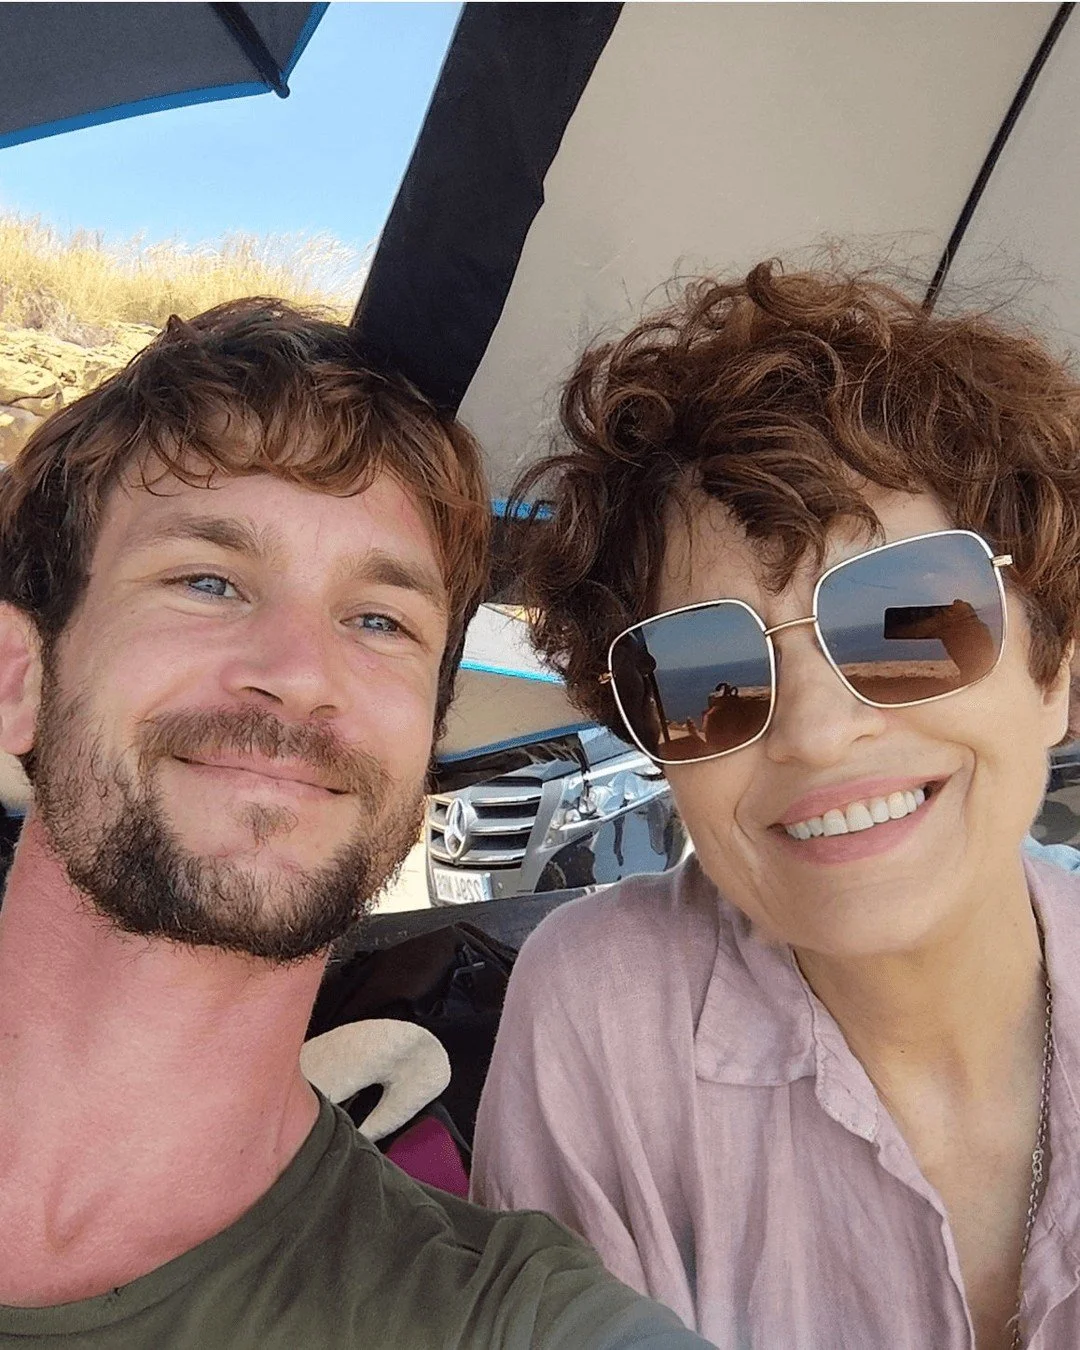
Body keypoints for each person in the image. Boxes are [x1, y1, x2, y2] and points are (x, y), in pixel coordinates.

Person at [0, 300, 713, 1350]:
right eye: (209, 581)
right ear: (18, 678)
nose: (301, 676)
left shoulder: (497, 1318)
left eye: (379, 621)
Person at [471, 263, 1080, 1349]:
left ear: (1055, 675)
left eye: (907, 618)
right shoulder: (603, 1014)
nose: (814, 731)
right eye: (703, 671)